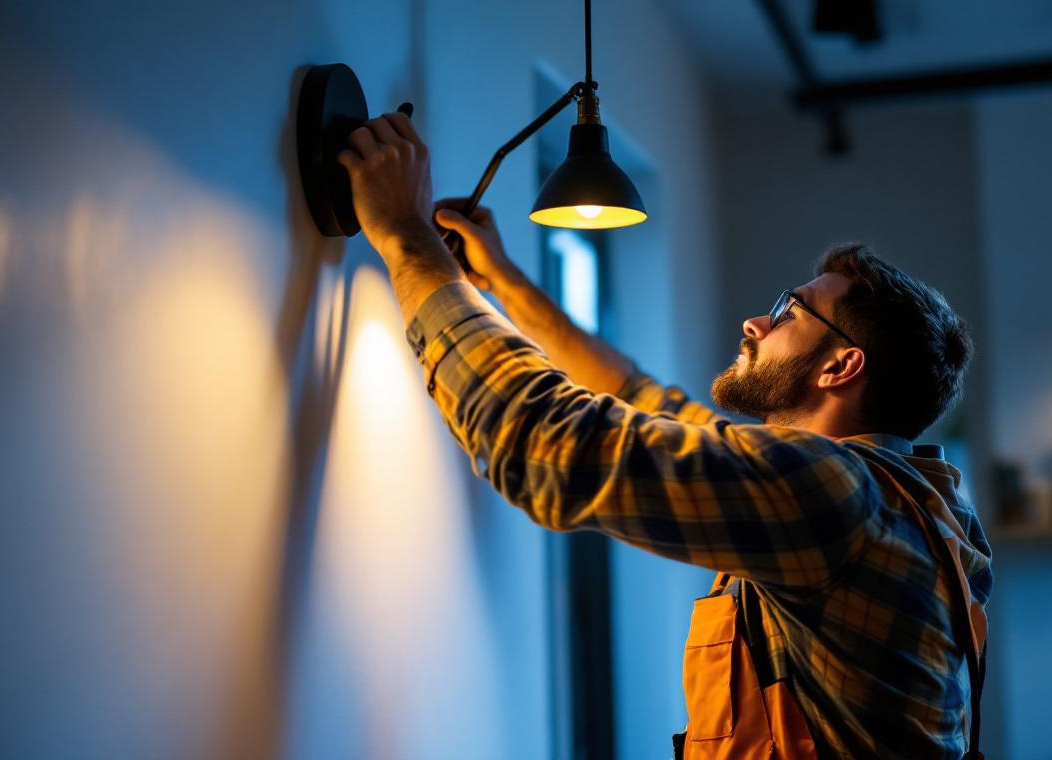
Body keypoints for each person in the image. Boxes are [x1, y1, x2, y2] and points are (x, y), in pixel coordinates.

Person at [336, 110, 992, 760]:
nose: (755, 324)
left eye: (788, 312)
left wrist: (405, 236)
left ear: (840, 367)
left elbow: (549, 447)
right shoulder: (905, 501)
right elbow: (644, 401)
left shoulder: (834, 495)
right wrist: (504, 282)